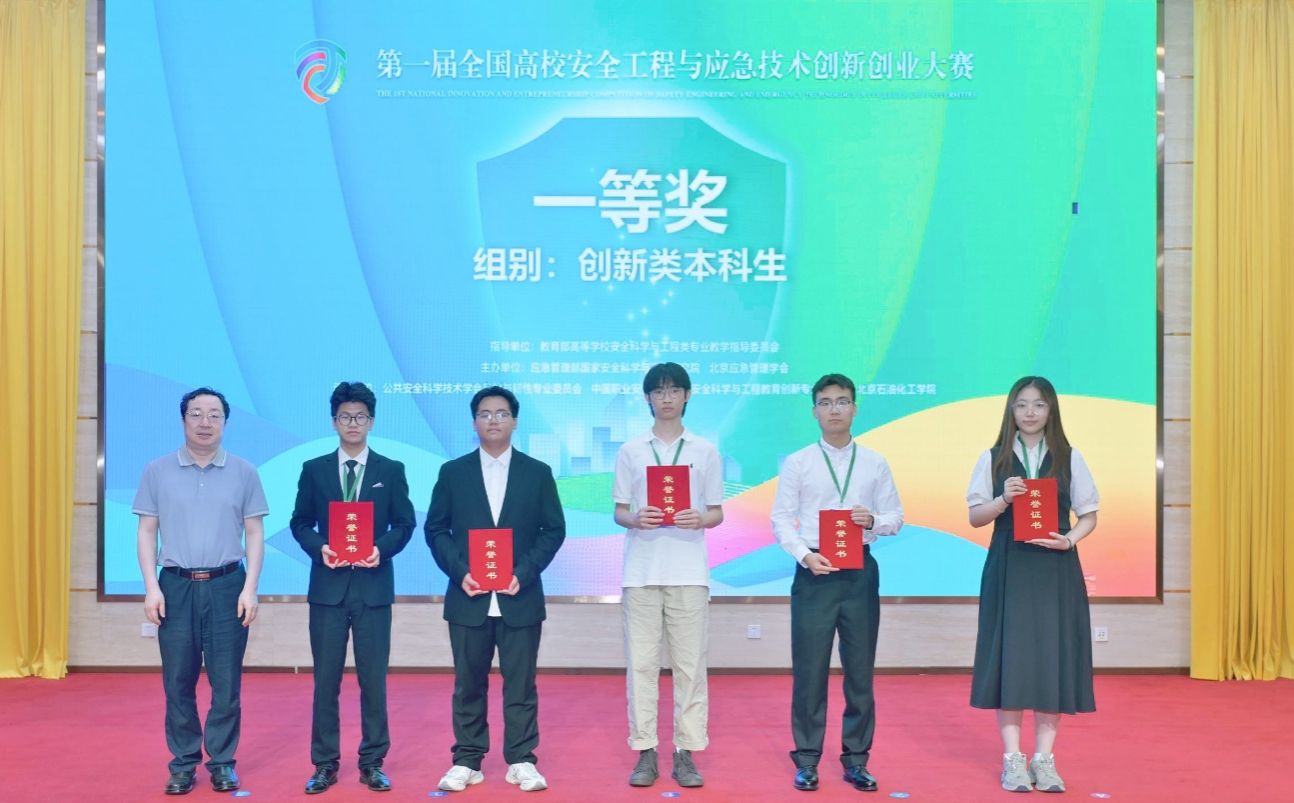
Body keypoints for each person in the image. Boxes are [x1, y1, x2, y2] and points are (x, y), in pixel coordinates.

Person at [425, 386, 566, 793]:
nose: (493, 420)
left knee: (521, 684)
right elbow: (436, 529)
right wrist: (460, 572)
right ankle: (467, 760)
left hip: (519, 595)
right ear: (474, 422)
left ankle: (521, 759)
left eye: (501, 413)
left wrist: (525, 572)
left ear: (515, 421)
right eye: (485, 413)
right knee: (468, 683)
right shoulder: (453, 473)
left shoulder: (536, 472)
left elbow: (553, 530)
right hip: (468, 596)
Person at [770, 373, 903, 793]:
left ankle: (857, 760)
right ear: (814, 411)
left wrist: (873, 521)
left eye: (842, 401)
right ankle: (807, 759)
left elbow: (895, 517)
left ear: (855, 409)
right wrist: (804, 555)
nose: (834, 410)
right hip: (814, 571)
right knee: (809, 670)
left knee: (860, 671)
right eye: (825, 402)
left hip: (859, 572)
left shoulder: (875, 462)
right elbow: (780, 518)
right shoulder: (799, 462)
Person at [133, 387, 268, 796]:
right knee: (178, 681)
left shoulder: (244, 471)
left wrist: (250, 588)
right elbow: (147, 531)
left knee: (226, 683)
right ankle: (183, 763)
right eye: (196, 413)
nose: (205, 422)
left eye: (214, 415)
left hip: (228, 585)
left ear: (225, 422)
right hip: (175, 586)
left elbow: (254, 533)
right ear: (183, 420)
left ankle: (223, 762)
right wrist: (151, 588)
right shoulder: (157, 470)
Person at [967, 376, 1099, 793]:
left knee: (1051, 658)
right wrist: (1003, 499)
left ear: (1050, 410)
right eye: (1022, 404)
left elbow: (1089, 515)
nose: (1029, 412)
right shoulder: (993, 458)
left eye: (1038, 405)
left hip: (1056, 566)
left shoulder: (1069, 457)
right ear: (1011, 409)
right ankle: (1013, 760)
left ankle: (1044, 760)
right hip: (1009, 566)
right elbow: (975, 517)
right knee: (1011, 658)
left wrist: (1069, 540)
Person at [290, 382, 416, 794]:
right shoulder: (314, 469)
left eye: (360, 416)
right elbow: (299, 523)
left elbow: (405, 524)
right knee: (325, 681)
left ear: (372, 422)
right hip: (327, 590)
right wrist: (320, 549)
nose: (353, 423)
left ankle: (372, 762)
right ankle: (324, 763)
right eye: (345, 417)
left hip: (373, 589)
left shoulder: (390, 470)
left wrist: (381, 550)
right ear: (334, 422)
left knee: (373, 681)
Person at [612, 363, 725, 788]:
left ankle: (685, 753)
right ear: (647, 398)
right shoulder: (631, 450)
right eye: (658, 391)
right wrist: (635, 518)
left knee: (690, 667)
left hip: (689, 571)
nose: (666, 398)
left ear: (687, 395)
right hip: (641, 572)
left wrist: (701, 518)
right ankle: (645, 751)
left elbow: (717, 511)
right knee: (641, 665)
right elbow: (619, 510)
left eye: (674, 390)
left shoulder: (705, 450)